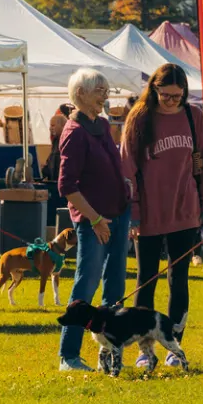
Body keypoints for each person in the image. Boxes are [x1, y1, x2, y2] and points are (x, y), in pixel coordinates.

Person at [121, 64, 203, 368]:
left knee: (179, 280)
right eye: (166, 95)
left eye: (177, 96)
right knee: (146, 280)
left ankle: (175, 347)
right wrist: (133, 212)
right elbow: (128, 168)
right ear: (154, 90)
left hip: (185, 211)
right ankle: (144, 350)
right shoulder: (140, 118)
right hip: (148, 213)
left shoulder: (193, 117)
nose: (172, 101)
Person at [56, 68, 132, 372]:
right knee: (85, 287)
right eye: (99, 90)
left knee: (115, 286)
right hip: (93, 221)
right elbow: (67, 187)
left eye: (106, 90)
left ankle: (110, 355)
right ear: (80, 95)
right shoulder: (74, 132)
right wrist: (96, 219)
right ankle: (69, 356)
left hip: (118, 214)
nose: (105, 95)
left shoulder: (101, 124)